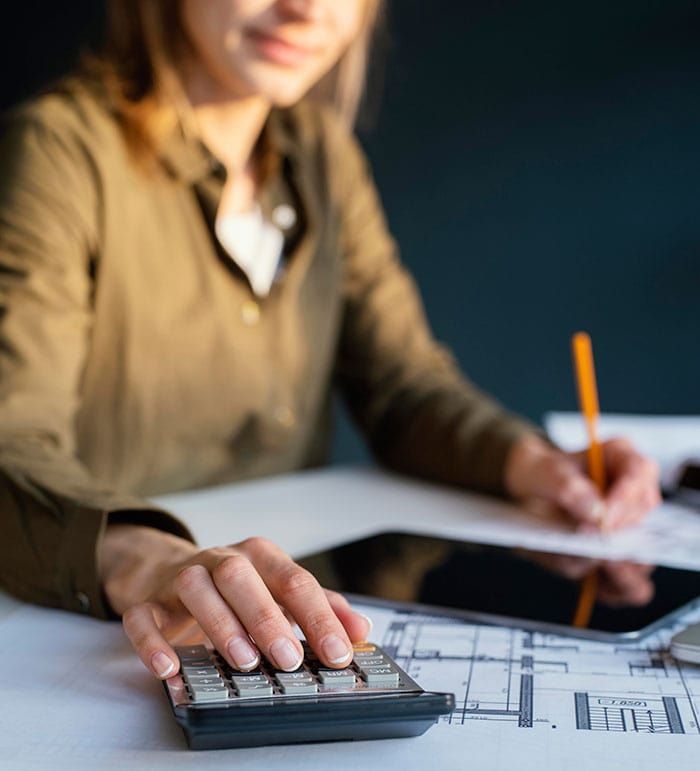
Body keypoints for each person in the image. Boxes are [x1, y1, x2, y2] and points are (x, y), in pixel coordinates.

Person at [0, 0, 659, 680]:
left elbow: (403, 385)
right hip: (95, 637)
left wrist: (535, 464)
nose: (306, 10)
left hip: (291, 617)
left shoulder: (324, 158)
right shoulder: (57, 156)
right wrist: (144, 555)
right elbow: (10, 438)